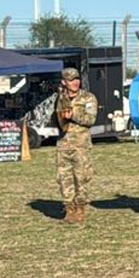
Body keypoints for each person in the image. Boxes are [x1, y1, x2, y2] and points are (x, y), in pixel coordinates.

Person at [54, 67, 99, 224]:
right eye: (71, 80)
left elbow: (90, 120)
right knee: (63, 178)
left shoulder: (88, 98)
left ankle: (80, 209)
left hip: (81, 145)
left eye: (77, 79)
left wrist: (73, 115)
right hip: (63, 144)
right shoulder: (59, 99)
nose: (75, 82)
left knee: (81, 177)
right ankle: (69, 209)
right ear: (64, 82)